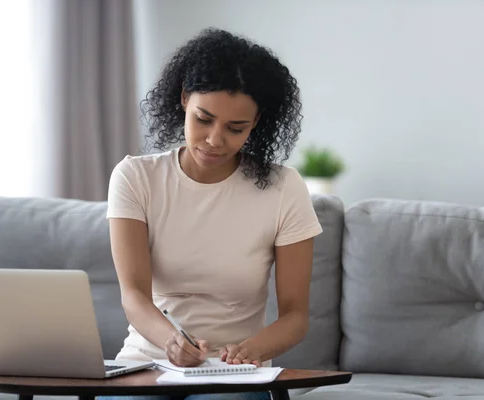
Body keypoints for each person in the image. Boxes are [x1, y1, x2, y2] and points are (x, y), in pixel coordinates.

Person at [103, 28, 323, 400]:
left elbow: (295, 317)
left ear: (256, 124)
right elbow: (134, 295)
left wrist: (254, 350)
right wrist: (172, 341)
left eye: (236, 128)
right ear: (185, 99)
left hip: (236, 373)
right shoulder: (135, 178)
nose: (215, 139)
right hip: (149, 362)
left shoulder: (283, 188)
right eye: (204, 119)